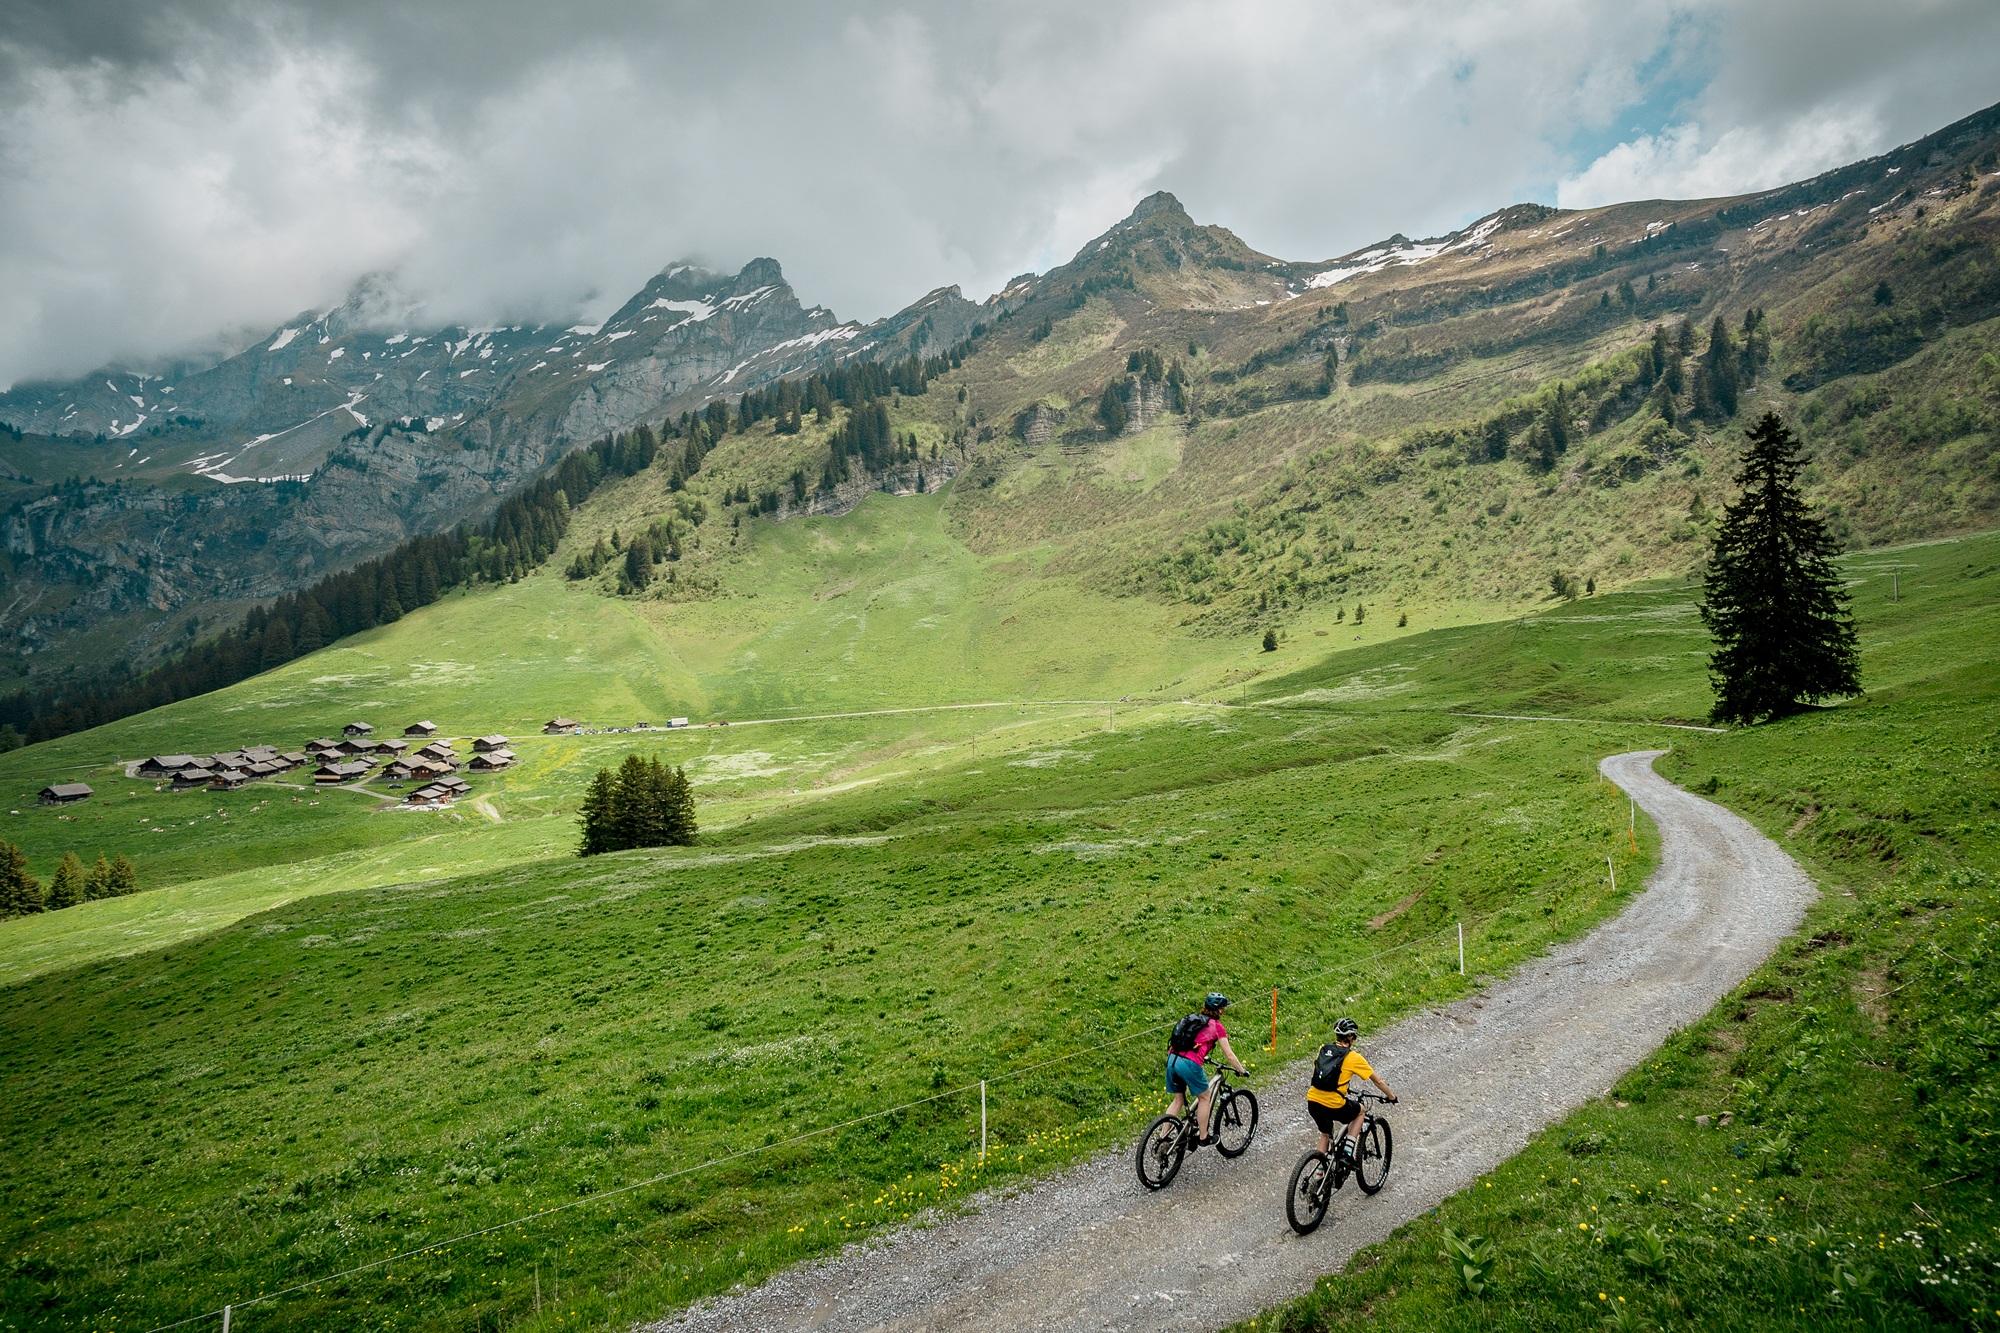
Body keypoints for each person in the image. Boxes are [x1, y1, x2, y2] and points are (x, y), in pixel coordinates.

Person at [1307, 1016, 1396, 1164]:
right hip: (1333, 1103)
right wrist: (1391, 1096)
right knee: (1360, 1110)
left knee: (1325, 1134)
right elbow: (1378, 1081)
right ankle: (1347, 1153)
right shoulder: (1353, 1057)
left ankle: (1319, 1175)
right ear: (1351, 1037)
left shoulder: (1323, 1049)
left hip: (1313, 1100)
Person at [1165, 992, 1248, 1146]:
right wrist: (1242, 1070)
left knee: (1178, 1100)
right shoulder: (1217, 1027)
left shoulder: (1194, 1020)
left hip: (1171, 1058)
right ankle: (1203, 1137)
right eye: (1223, 1008)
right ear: (1220, 1010)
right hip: (1188, 1064)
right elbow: (1229, 1055)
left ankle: (1163, 1138)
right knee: (1204, 1097)